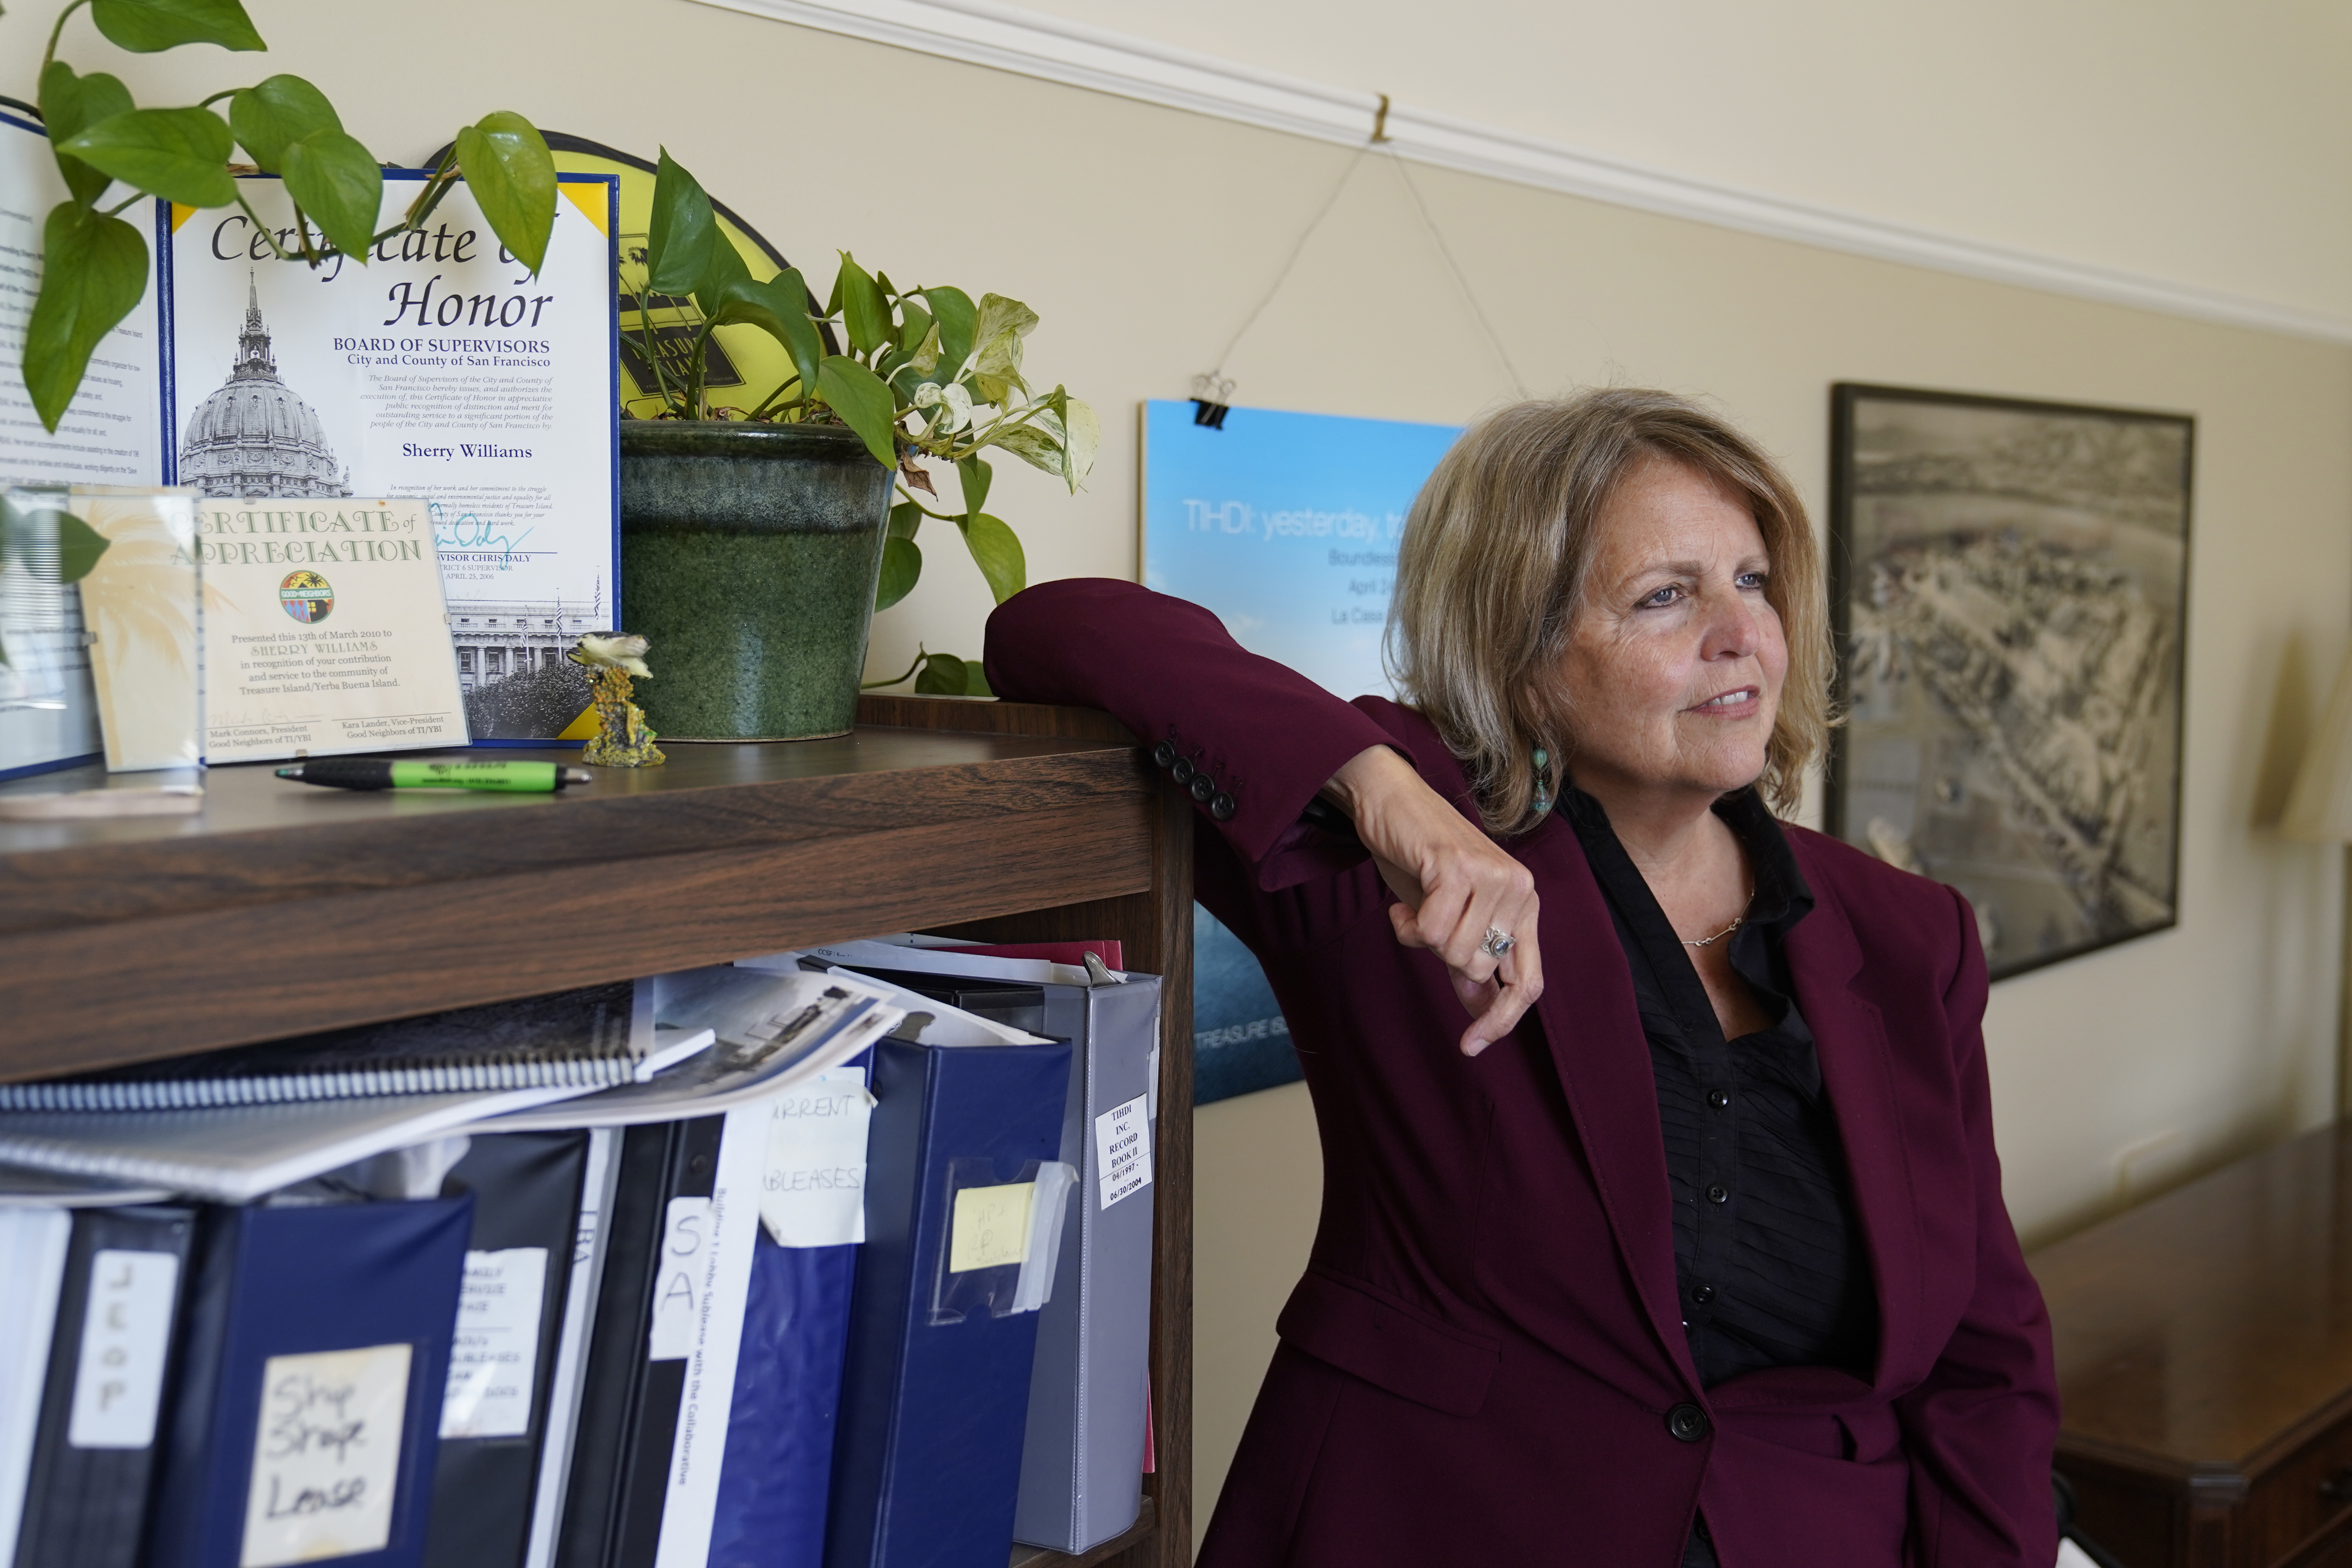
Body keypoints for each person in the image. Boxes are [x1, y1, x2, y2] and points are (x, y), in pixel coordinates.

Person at [983, 389, 2058, 1568]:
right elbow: (1054, 628)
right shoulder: (1389, 873)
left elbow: (1982, 1357)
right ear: (1526, 658)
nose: (1740, 633)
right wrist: (1384, 788)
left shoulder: (1911, 937)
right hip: (1438, 1523)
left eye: (1753, 582)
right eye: (1665, 596)